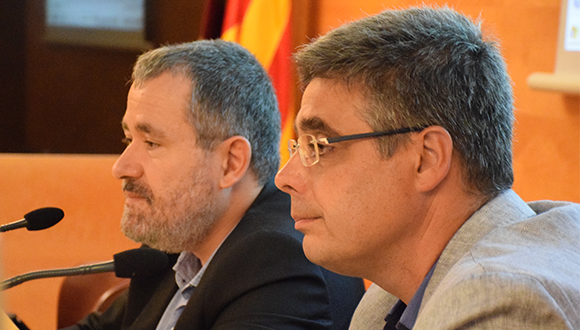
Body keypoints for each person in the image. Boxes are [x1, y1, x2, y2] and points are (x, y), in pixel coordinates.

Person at [275, 6, 580, 330]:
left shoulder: (500, 306)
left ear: (427, 158)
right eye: (300, 145)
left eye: (320, 145)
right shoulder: (391, 295)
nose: (284, 179)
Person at [63, 39, 365, 330]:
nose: (122, 167)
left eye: (152, 143)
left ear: (231, 163)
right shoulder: (179, 239)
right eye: (129, 139)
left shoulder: (279, 263)